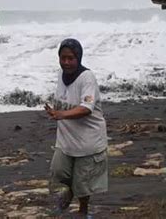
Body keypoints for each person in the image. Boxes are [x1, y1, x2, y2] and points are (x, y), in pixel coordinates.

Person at [44, 38, 108, 218]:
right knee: (58, 171)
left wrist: (61, 115)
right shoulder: (60, 75)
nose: (66, 62)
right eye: (63, 58)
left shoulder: (87, 77)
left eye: (71, 58)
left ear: (78, 58)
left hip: (88, 141)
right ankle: (71, 190)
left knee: (83, 183)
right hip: (66, 140)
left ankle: (83, 211)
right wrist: (55, 112)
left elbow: (86, 108)